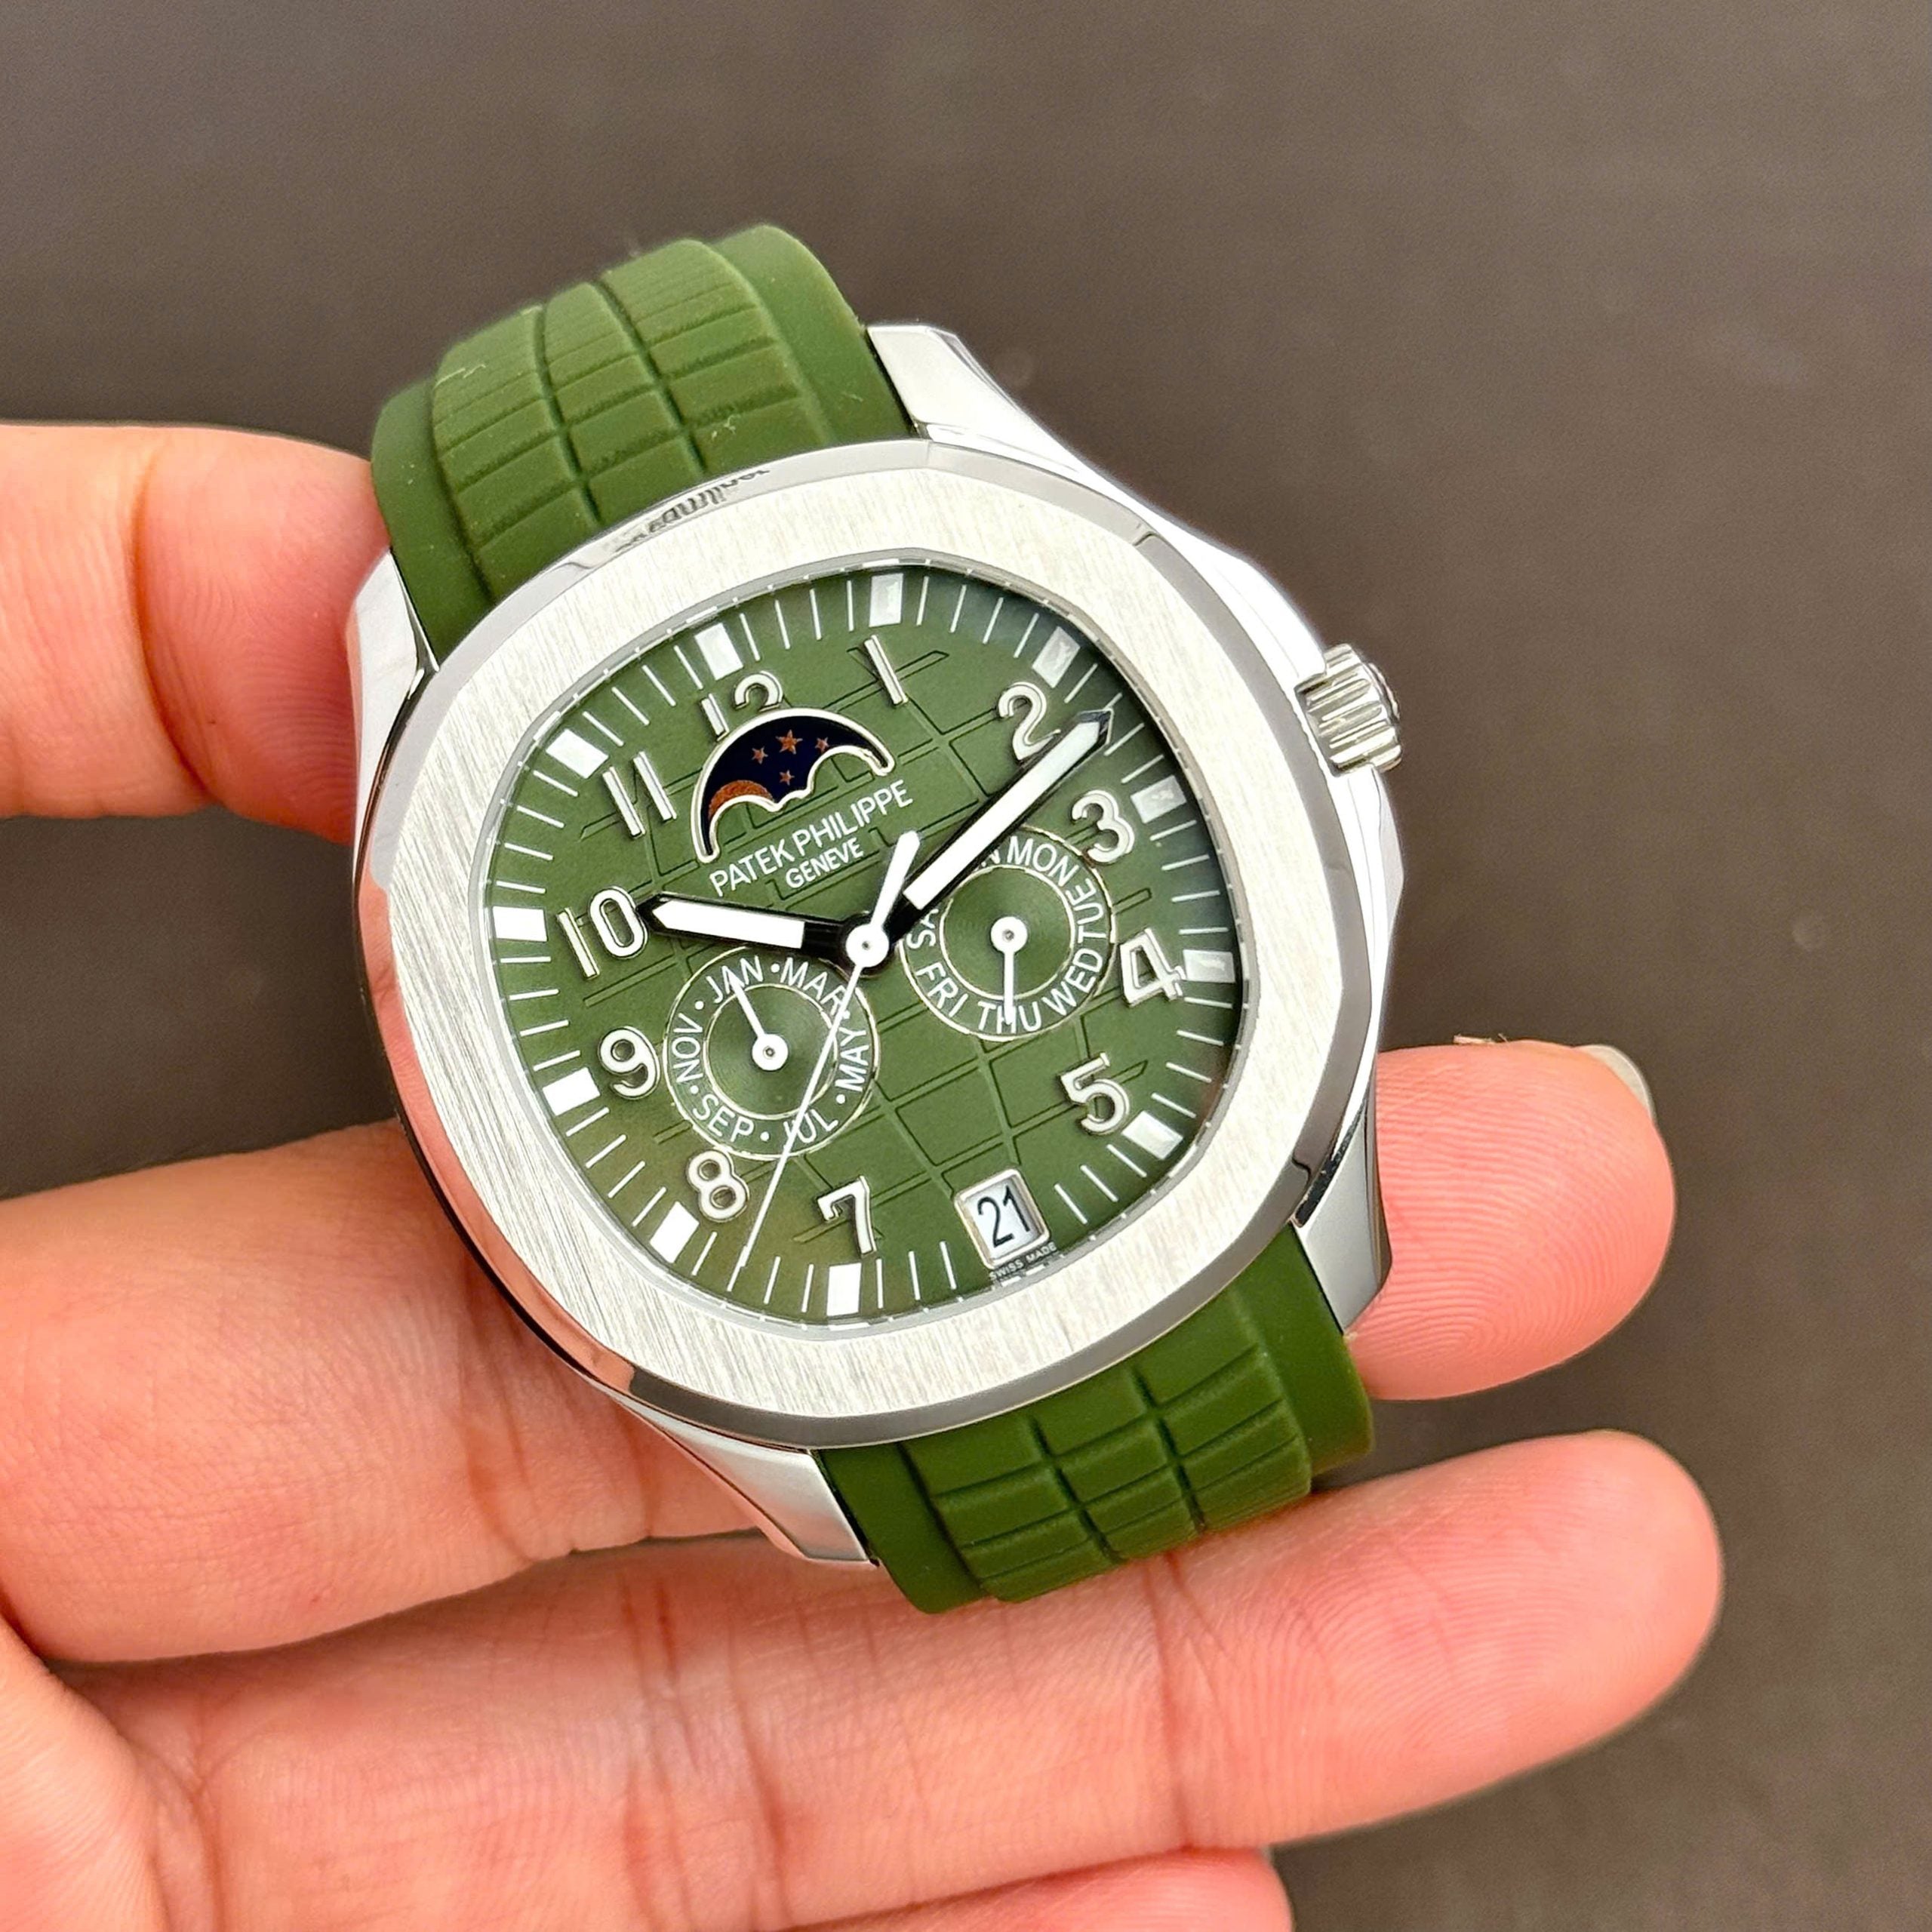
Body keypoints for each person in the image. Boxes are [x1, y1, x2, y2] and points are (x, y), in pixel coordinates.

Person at [0, 425, 1721, 1932]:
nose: (873, 947)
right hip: (839, 1351)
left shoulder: (929, 443)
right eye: (849, 941)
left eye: (884, 927)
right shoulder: (431, 671)